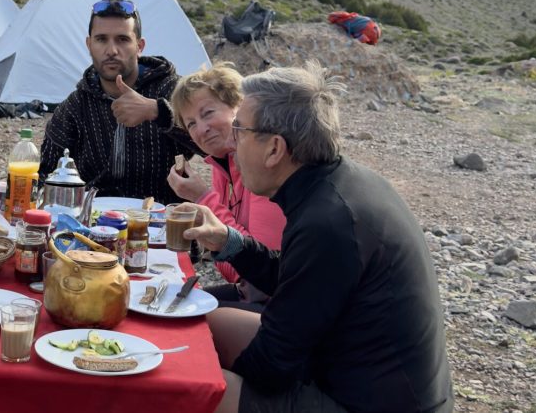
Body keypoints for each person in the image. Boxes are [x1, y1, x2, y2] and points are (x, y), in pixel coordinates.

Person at [183, 61, 453, 413]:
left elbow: (271, 367)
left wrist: (207, 369)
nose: (232, 140)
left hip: (368, 402)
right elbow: (295, 277)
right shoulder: (335, 184)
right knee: (208, 325)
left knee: (192, 387)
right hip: (349, 366)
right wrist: (229, 242)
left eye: (240, 129)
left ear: (274, 149)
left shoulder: (329, 222)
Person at [39, 0, 193, 203]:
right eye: (101, 39)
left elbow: (216, 148)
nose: (111, 50)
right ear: (89, 45)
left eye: (122, 39)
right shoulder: (77, 105)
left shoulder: (171, 90)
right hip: (94, 218)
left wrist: (158, 111)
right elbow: (45, 174)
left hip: (164, 215)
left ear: (139, 46)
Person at [166, 65, 286, 311]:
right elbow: (229, 267)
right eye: (191, 124)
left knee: (182, 318)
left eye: (208, 113)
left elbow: (260, 270)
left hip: (279, 304)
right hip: (248, 291)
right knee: (164, 304)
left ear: (239, 107)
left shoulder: (263, 167)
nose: (201, 129)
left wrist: (202, 197)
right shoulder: (222, 165)